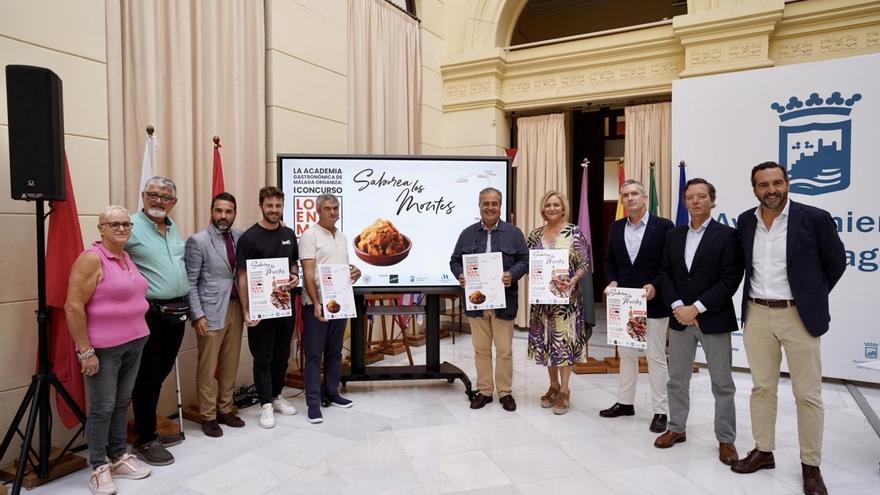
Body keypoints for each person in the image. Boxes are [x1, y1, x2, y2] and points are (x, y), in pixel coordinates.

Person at [731, 162, 845, 495]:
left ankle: (811, 466)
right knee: (761, 388)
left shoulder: (814, 218)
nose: (771, 190)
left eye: (777, 183)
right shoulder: (744, 221)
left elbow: (836, 263)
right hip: (756, 313)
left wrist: (811, 296)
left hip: (798, 316)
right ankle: (763, 451)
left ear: (787, 183)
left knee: (807, 395)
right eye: (763, 185)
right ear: (754, 189)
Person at [654, 178, 743, 466]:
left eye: (701, 196)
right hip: (680, 319)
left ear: (712, 200)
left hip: (714, 319)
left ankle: (726, 439)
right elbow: (665, 273)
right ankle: (676, 428)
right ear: (684, 202)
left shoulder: (727, 235)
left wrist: (698, 308)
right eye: (690, 197)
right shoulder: (674, 235)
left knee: (722, 383)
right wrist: (680, 307)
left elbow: (730, 279)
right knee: (677, 380)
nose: (695, 201)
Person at [65, 206, 152, 494]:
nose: (121, 228)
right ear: (100, 228)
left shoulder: (126, 257)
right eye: (114, 224)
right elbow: (73, 306)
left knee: (121, 401)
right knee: (102, 407)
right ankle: (98, 466)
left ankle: (118, 456)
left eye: (126, 224)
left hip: (135, 341)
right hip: (104, 348)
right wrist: (85, 351)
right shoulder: (91, 259)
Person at [599, 178, 674, 433]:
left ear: (644, 198)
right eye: (625, 195)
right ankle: (625, 402)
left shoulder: (664, 227)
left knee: (654, 357)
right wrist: (612, 280)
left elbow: (668, 265)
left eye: (634, 194)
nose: (630, 198)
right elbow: (610, 260)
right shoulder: (616, 227)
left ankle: (661, 411)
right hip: (625, 302)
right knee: (627, 357)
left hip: (653, 302)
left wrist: (655, 285)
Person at [125, 176, 189, 466]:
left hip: (176, 314)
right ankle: (146, 439)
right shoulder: (130, 227)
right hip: (148, 314)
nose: (158, 200)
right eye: (153, 194)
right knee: (147, 378)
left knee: (158, 375)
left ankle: (147, 429)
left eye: (165, 197)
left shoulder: (173, 229)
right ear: (143, 195)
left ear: (173, 203)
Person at [450, 187, 529, 412]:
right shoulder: (467, 233)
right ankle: (485, 390)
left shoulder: (514, 233)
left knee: (504, 350)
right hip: (476, 303)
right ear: (479, 205)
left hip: (504, 301)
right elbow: (454, 261)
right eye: (486, 203)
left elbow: (525, 260)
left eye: (494, 203)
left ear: (500, 206)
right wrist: (460, 275)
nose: (490, 208)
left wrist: (511, 274)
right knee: (481, 349)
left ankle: (505, 392)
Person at [236, 186, 300, 429]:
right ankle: (264, 404)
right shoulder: (249, 238)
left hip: (284, 307)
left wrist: (294, 276)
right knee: (263, 357)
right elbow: (242, 277)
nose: (274, 210)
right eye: (270, 205)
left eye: (278, 206)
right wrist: (246, 311)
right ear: (261, 205)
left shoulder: (289, 234)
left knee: (282, 355)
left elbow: (293, 264)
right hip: (261, 310)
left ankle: (276, 395)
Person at [185, 192, 246, 437]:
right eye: (219, 210)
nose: (223, 216)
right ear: (212, 212)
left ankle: (225, 408)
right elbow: (190, 282)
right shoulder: (197, 241)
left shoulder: (241, 237)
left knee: (230, 363)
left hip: (236, 307)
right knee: (208, 366)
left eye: (228, 211)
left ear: (234, 214)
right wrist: (197, 315)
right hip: (209, 312)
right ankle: (208, 415)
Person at [526, 191, 591, 415]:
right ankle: (552, 385)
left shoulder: (574, 232)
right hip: (542, 301)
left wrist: (573, 280)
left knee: (563, 343)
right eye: (548, 205)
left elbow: (585, 263)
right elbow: (529, 264)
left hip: (566, 301)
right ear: (543, 209)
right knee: (546, 343)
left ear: (563, 209)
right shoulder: (534, 235)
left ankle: (564, 390)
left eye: (556, 205)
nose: (552, 208)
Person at [299, 193, 362, 424]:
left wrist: (355, 272)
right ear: (319, 211)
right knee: (314, 355)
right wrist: (316, 303)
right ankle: (313, 403)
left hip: (340, 302)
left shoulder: (343, 237)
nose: (334, 212)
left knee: (336, 351)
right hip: (317, 305)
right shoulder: (310, 235)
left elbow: (342, 268)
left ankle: (333, 393)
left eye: (336, 208)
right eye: (328, 209)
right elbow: (308, 273)